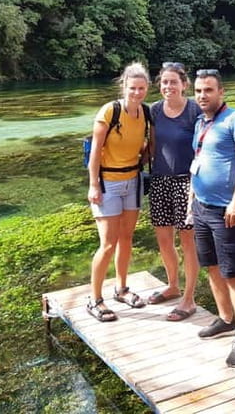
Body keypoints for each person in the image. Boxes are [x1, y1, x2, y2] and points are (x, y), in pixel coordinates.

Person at [189, 69, 235, 368]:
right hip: (202, 207)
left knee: (233, 273)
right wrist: (192, 200)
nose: (203, 95)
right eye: (199, 91)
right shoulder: (200, 122)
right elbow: (200, 161)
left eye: (208, 90)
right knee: (211, 267)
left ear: (221, 92)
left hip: (227, 210)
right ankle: (226, 319)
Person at [85, 62, 152, 322]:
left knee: (126, 238)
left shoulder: (145, 114)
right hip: (108, 183)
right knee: (108, 243)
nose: (137, 93)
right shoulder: (109, 112)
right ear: (124, 86)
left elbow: (143, 149)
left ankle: (121, 289)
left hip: (133, 181)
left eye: (142, 88)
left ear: (147, 89)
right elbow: (95, 152)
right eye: (132, 88)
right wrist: (93, 185)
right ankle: (95, 299)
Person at [147, 62, 202, 321]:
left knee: (188, 241)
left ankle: (189, 299)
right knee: (164, 239)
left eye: (173, 82)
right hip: (160, 180)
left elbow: (204, 146)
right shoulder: (155, 110)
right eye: (164, 82)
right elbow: (152, 146)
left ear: (184, 85)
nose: (168, 87)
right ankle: (172, 286)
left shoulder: (194, 110)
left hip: (187, 182)